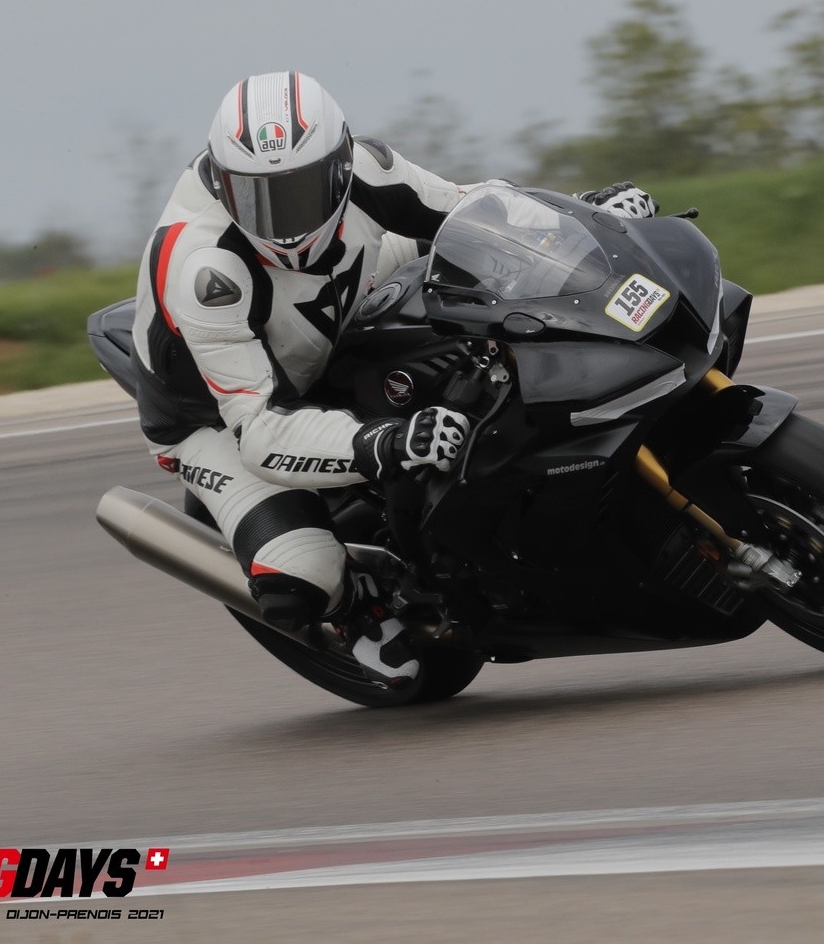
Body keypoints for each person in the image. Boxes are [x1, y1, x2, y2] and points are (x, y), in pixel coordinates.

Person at [131, 71, 656, 685]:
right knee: (300, 580)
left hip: (339, 297)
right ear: (224, 183)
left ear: (340, 165)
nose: (281, 223)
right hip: (218, 415)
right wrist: (387, 441)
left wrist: (584, 218)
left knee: (479, 263)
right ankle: (359, 611)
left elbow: (475, 208)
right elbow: (260, 430)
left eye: (299, 192)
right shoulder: (205, 271)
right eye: (256, 198)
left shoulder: (370, 168)